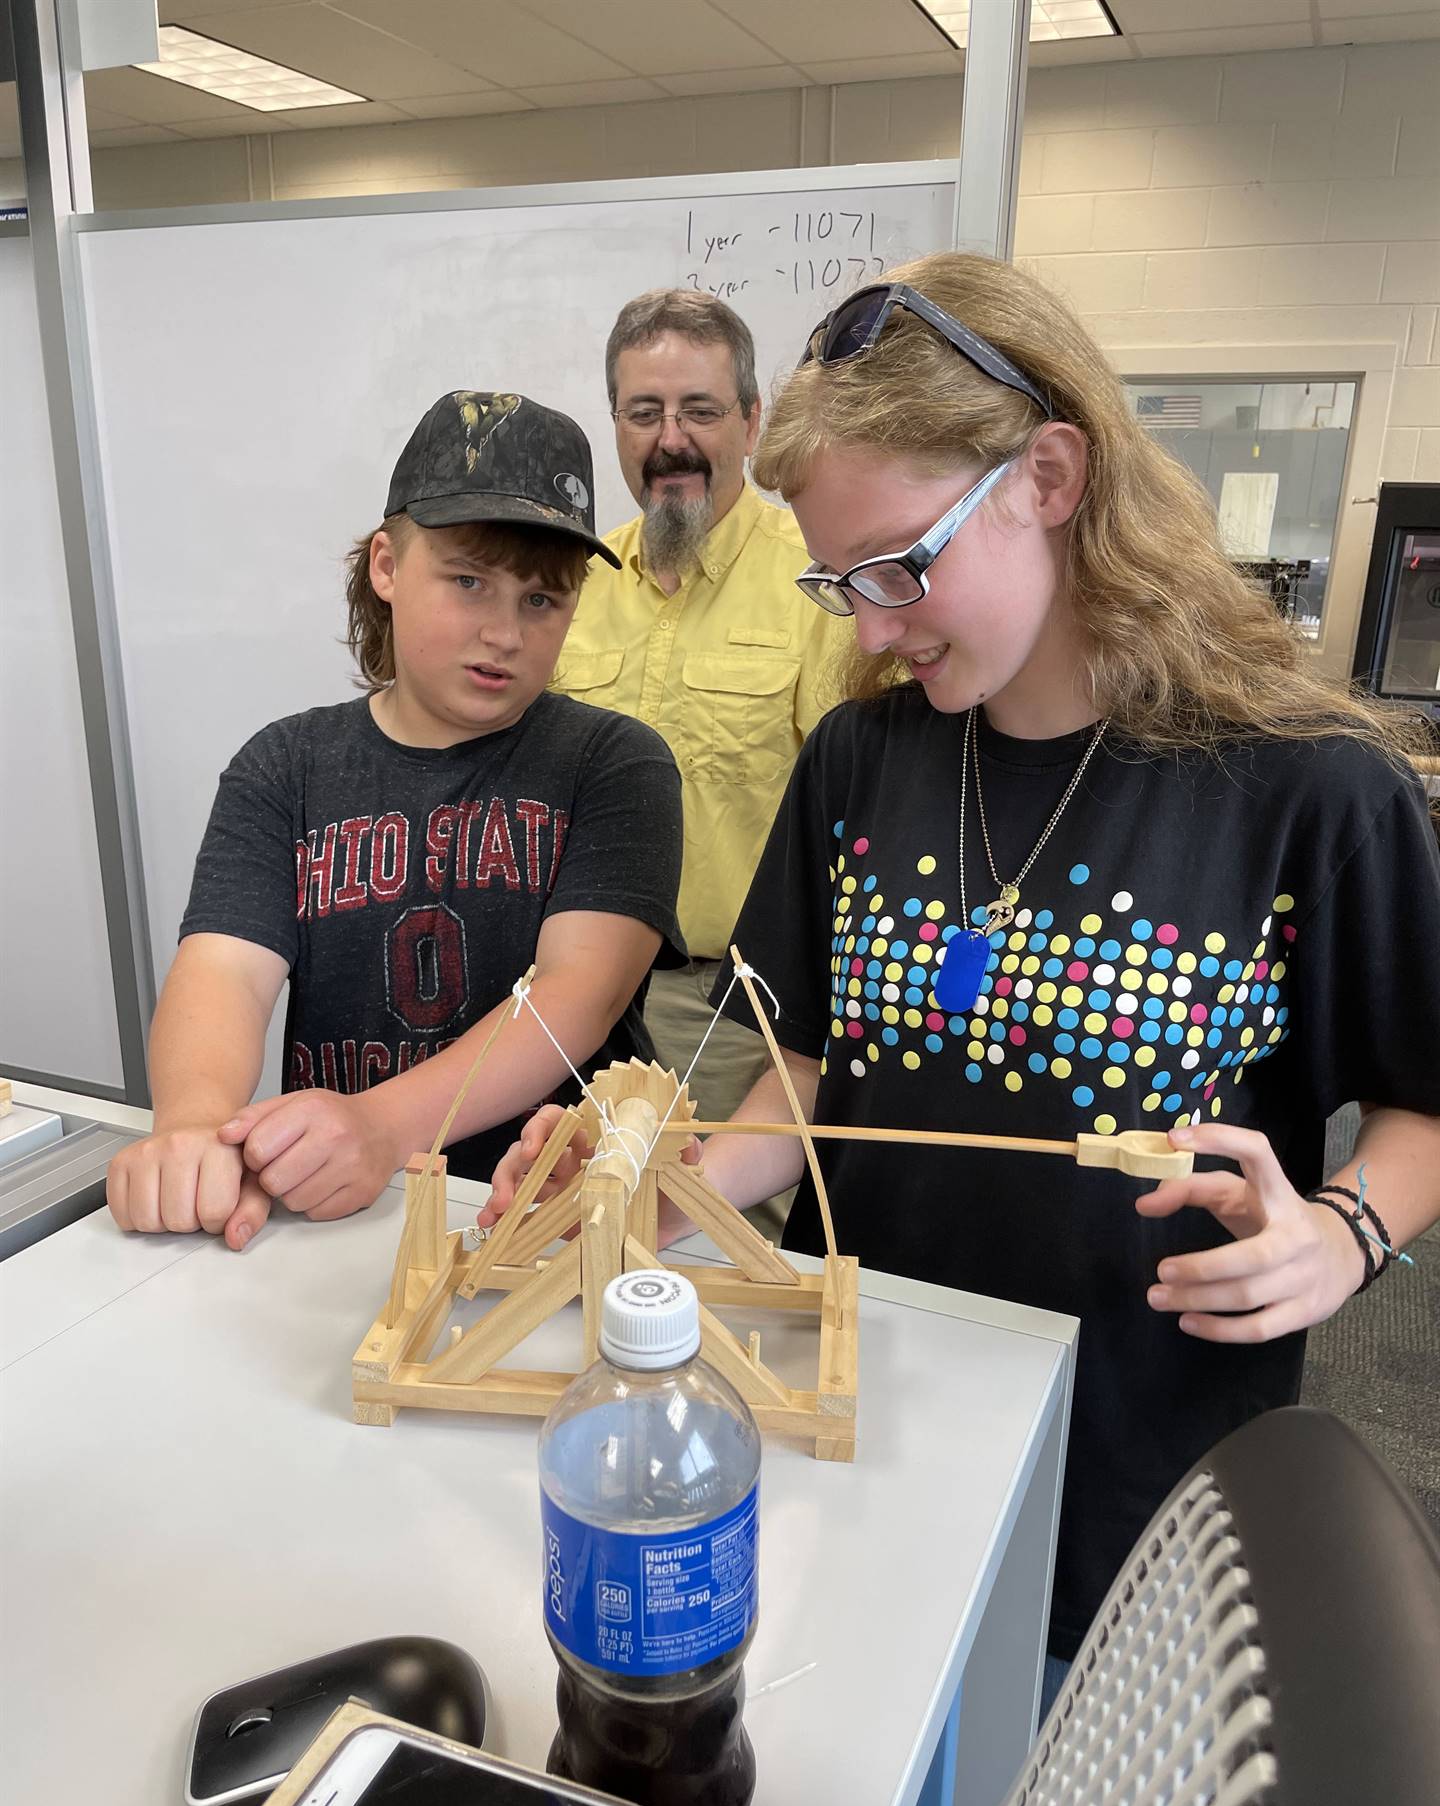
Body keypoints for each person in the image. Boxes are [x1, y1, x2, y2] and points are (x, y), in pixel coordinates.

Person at [481, 258, 1440, 1710]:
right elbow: (804, 1076)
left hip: (1134, 1477)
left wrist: (1345, 1237)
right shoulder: (861, 763)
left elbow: (1425, 1106)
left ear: (1047, 475)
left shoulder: (1309, 788)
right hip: (856, 1426)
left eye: (900, 569)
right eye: (835, 580)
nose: (867, 628)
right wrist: (655, 1173)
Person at [107, 390, 683, 1250]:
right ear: (385, 566)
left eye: (542, 600)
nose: (504, 632)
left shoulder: (617, 764)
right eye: (468, 581)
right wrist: (194, 1127)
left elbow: (578, 997)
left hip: (544, 1221)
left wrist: (380, 1128)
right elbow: (223, 972)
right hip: (331, 1214)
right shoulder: (284, 767)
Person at [555, 290, 843, 1230]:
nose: (671, 439)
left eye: (700, 411)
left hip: (728, 1016)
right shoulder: (574, 585)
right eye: (645, 413)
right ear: (617, 426)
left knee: (711, 1252)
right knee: (578, 1228)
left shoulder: (818, 585)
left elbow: (855, 823)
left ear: (752, 423)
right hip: (571, 993)